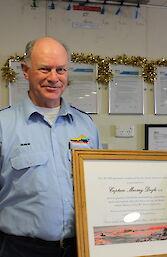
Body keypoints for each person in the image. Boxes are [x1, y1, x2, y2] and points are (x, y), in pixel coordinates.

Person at [0, 37, 101, 257]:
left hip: (80, 247)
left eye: (61, 70)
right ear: (26, 71)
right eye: (45, 69)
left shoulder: (86, 124)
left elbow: (98, 183)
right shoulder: (3, 125)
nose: (54, 78)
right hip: (22, 250)